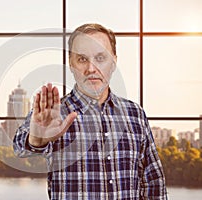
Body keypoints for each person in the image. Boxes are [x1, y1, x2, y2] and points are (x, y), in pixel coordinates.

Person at [13, 23, 167, 199]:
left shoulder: (135, 114)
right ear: (71, 64)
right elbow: (19, 148)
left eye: (100, 58)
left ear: (114, 61)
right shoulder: (54, 113)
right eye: (82, 59)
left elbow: (154, 182)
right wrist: (36, 140)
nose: (91, 69)